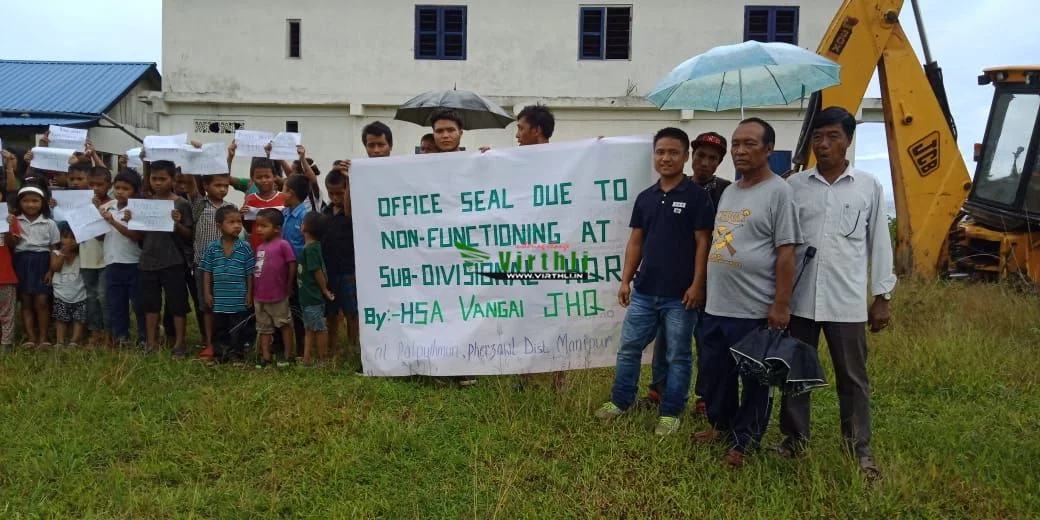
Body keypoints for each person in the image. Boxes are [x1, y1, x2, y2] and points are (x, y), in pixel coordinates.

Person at [782, 107, 895, 481]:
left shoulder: (867, 186)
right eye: (818, 137)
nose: (824, 144)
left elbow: (879, 243)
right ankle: (793, 441)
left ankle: (859, 449)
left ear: (848, 140)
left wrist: (882, 296)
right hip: (799, 300)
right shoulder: (795, 187)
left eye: (832, 136)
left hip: (845, 302)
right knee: (795, 374)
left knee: (853, 379)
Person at [692, 118, 801, 469]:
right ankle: (721, 425)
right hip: (717, 304)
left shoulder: (780, 192)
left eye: (749, 144)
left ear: (768, 150)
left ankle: (744, 441)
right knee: (715, 374)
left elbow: (787, 252)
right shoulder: (730, 191)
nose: (740, 150)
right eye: (736, 143)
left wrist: (781, 304)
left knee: (754, 381)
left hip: (754, 308)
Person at [594, 127, 714, 436]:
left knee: (678, 356)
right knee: (629, 349)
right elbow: (636, 241)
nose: (666, 158)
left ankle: (671, 413)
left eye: (673, 152)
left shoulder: (697, 197)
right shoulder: (646, 197)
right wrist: (625, 281)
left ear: (685, 157)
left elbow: (703, 243)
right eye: (660, 152)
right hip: (644, 292)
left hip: (680, 297)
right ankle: (620, 401)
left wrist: (697, 285)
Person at [640, 131, 731, 411]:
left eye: (712, 158)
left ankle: (705, 398)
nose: (705, 163)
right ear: (691, 156)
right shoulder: (676, 186)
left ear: (720, 162)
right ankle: (658, 390)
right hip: (675, 281)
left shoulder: (728, 191)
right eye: (701, 156)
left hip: (712, 281)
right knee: (666, 339)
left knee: (706, 341)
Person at [130, 161, 194, 356]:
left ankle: (180, 344)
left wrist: (177, 224)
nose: (158, 182)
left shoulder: (181, 204)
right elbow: (140, 234)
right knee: (150, 305)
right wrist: (131, 219)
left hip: (173, 261)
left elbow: (189, 235)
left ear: (173, 180)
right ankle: (151, 344)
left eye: (163, 179)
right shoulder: (144, 204)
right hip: (148, 260)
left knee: (177, 305)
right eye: (154, 178)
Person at [199, 206, 255, 365]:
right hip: (220, 299)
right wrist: (207, 293)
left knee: (238, 328)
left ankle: (237, 355)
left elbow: (249, 273)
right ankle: (220, 355)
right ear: (219, 225)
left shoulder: (245, 247)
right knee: (220, 328)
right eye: (231, 222)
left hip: (238, 298)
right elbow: (207, 272)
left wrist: (249, 294)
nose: (237, 225)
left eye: (239, 222)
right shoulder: (212, 248)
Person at [189, 174, 237, 355]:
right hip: (203, 265)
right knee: (207, 307)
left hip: (226, 265)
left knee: (226, 305)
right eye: (218, 185)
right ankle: (209, 343)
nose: (223, 189)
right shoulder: (198, 204)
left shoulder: (231, 208)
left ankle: (227, 343)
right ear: (205, 185)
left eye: (226, 186)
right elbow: (190, 182)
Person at [10, 182, 60, 347]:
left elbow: (54, 248)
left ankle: (44, 337)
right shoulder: (15, 221)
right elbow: (12, 244)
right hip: (22, 261)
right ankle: (30, 337)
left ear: (42, 203)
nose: (30, 204)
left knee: (42, 301)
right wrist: (10, 226)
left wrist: (51, 271)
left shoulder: (49, 223)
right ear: (19, 203)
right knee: (26, 301)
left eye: (35, 201)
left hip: (42, 262)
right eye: (26, 201)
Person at [100, 172, 145, 348]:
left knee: (138, 303)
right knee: (116, 303)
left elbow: (136, 236)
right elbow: (100, 236)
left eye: (125, 189)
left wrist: (113, 222)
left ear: (135, 191)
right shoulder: (107, 207)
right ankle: (121, 337)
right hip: (112, 261)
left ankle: (144, 337)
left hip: (133, 262)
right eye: (117, 187)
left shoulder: (137, 209)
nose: (120, 192)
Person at [252, 208, 297, 368]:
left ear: (277, 228)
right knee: (263, 328)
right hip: (260, 296)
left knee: (284, 324)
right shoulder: (260, 247)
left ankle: (289, 355)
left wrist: (289, 285)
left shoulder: (283, 245)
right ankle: (266, 357)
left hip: (278, 295)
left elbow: (292, 264)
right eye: (258, 226)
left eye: (264, 226)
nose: (259, 229)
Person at [321, 169, 358, 355]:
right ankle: (332, 346)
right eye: (331, 193)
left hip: (348, 270)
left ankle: (353, 345)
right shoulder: (325, 212)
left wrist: (350, 182)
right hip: (330, 271)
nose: (335, 197)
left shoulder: (352, 213)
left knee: (352, 311)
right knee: (332, 312)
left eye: (340, 193)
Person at [299, 213, 335, 366]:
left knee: (319, 328)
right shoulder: (310, 247)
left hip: (313, 296)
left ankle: (322, 359)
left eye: (303, 222)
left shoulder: (311, 249)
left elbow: (317, 271)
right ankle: (307, 358)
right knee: (309, 328)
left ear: (307, 227)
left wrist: (324, 290)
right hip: (306, 296)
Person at [82, 167, 112, 346]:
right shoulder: (80, 204)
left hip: (106, 258)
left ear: (108, 185)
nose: (95, 188)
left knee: (103, 296)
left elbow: (102, 235)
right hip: (86, 257)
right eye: (91, 184)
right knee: (90, 296)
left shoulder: (113, 204)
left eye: (99, 184)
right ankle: (95, 331)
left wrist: (95, 209)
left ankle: (109, 333)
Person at [49, 222, 88, 346]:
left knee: (79, 318)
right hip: (60, 294)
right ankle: (60, 341)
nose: (69, 241)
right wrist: (62, 254)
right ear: (60, 238)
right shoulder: (56, 253)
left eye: (73, 238)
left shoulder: (82, 254)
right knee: (60, 318)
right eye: (66, 237)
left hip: (79, 293)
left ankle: (74, 341)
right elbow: (55, 268)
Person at [242, 158, 286, 253]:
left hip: (279, 250)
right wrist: (242, 215)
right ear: (253, 179)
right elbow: (248, 228)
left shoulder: (283, 198)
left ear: (274, 177)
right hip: (257, 248)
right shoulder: (250, 199)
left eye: (267, 177)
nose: (263, 180)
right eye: (259, 177)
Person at [0, 185, 19, 349]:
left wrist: (7, 228)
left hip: (4, 274)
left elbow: (14, 245)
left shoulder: (9, 219)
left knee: (6, 312)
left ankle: (6, 344)